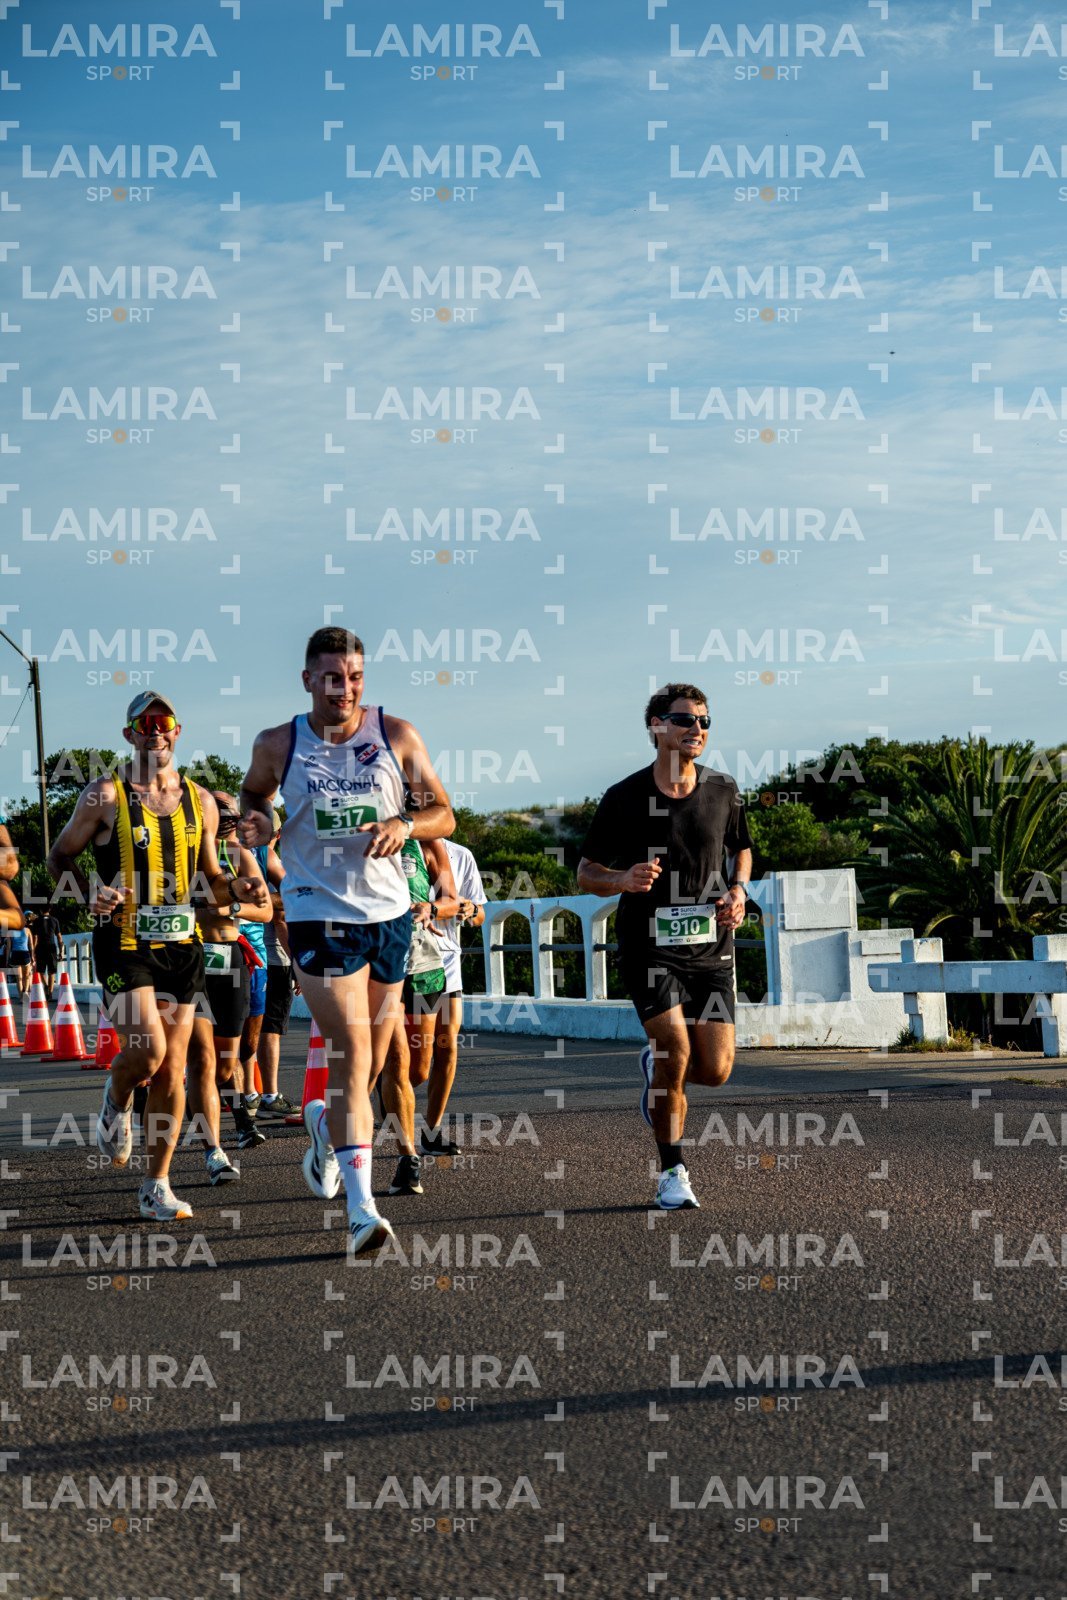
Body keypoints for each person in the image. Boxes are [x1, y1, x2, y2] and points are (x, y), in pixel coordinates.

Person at [238, 626, 454, 1255]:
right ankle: (362, 1210)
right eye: (333, 678)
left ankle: (325, 1128)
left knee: (375, 1064)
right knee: (352, 1052)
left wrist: (404, 823)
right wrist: (259, 822)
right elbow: (254, 797)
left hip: (389, 917)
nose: (345, 689)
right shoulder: (278, 744)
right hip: (317, 912)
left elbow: (443, 813)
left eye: (355, 677)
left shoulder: (396, 735)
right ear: (308, 679)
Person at [47, 692, 268, 1221]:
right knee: (147, 1053)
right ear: (129, 735)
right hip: (124, 943)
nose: (155, 731)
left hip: (182, 945)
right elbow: (59, 857)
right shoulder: (104, 795)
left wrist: (237, 888)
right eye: (144, 724)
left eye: (163, 722)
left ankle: (156, 1185)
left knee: (173, 1068)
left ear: (177, 730)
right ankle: (117, 1093)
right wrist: (89, 892)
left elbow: (211, 877)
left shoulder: (200, 801)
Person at [577, 683, 752, 1210]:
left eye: (704, 721)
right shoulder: (624, 797)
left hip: (712, 948)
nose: (697, 729)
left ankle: (658, 1076)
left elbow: (742, 848)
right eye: (684, 720)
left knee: (714, 1070)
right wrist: (622, 878)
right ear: (656, 726)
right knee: (674, 1049)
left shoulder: (723, 789)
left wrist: (739, 890)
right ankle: (672, 1171)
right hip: (649, 948)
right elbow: (586, 872)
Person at [185, 793, 270, 1183]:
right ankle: (217, 1148)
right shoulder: (184, 853)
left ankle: (201, 1101)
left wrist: (230, 906)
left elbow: (265, 909)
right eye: (221, 810)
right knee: (202, 1059)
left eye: (232, 811)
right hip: (191, 957)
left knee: (225, 1062)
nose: (229, 816)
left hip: (228, 957)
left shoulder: (238, 854)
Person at [381, 836, 458, 1195]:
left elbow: (451, 900)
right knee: (397, 1057)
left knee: (419, 1069)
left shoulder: (426, 845)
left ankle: (383, 1086)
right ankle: (407, 1158)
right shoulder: (358, 835)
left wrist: (431, 908)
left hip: (423, 965)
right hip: (378, 962)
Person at [416, 837, 486, 1157]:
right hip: (411, 961)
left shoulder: (460, 855)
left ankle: (431, 1133)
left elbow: (479, 914)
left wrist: (471, 910)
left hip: (448, 960)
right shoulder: (399, 847)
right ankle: (389, 1089)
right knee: (415, 1064)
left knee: (447, 1046)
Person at [256, 814, 299, 1120]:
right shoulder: (269, 859)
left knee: (241, 1029)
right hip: (273, 956)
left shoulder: (230, 856)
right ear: (279, 833)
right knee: (270, 1029)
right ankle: (269, 1095)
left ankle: (241, 1094)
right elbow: (282, 917)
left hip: (243, 954)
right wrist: (297, 961)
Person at [30, 907, 64, 999]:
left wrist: (33, 951)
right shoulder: (55, 920)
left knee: (40, 971)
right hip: (51, 947)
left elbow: (35, 938)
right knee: (51, 971)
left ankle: (45, 985)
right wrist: (61, 951)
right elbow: (59, 937)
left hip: (40, 947)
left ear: (41, 910)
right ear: (49, 910)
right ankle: (50, 993)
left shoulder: (37, 921)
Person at [5, 918, 33, 997]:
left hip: (15, 954)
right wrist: (32, 956)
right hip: (25, 954)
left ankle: (21, 997)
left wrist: (7, 960)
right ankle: (26, 993)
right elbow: (31, 945)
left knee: (19, 978)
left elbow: (8, 947)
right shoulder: (27, 930)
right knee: (26, 976)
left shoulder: (10, 932)